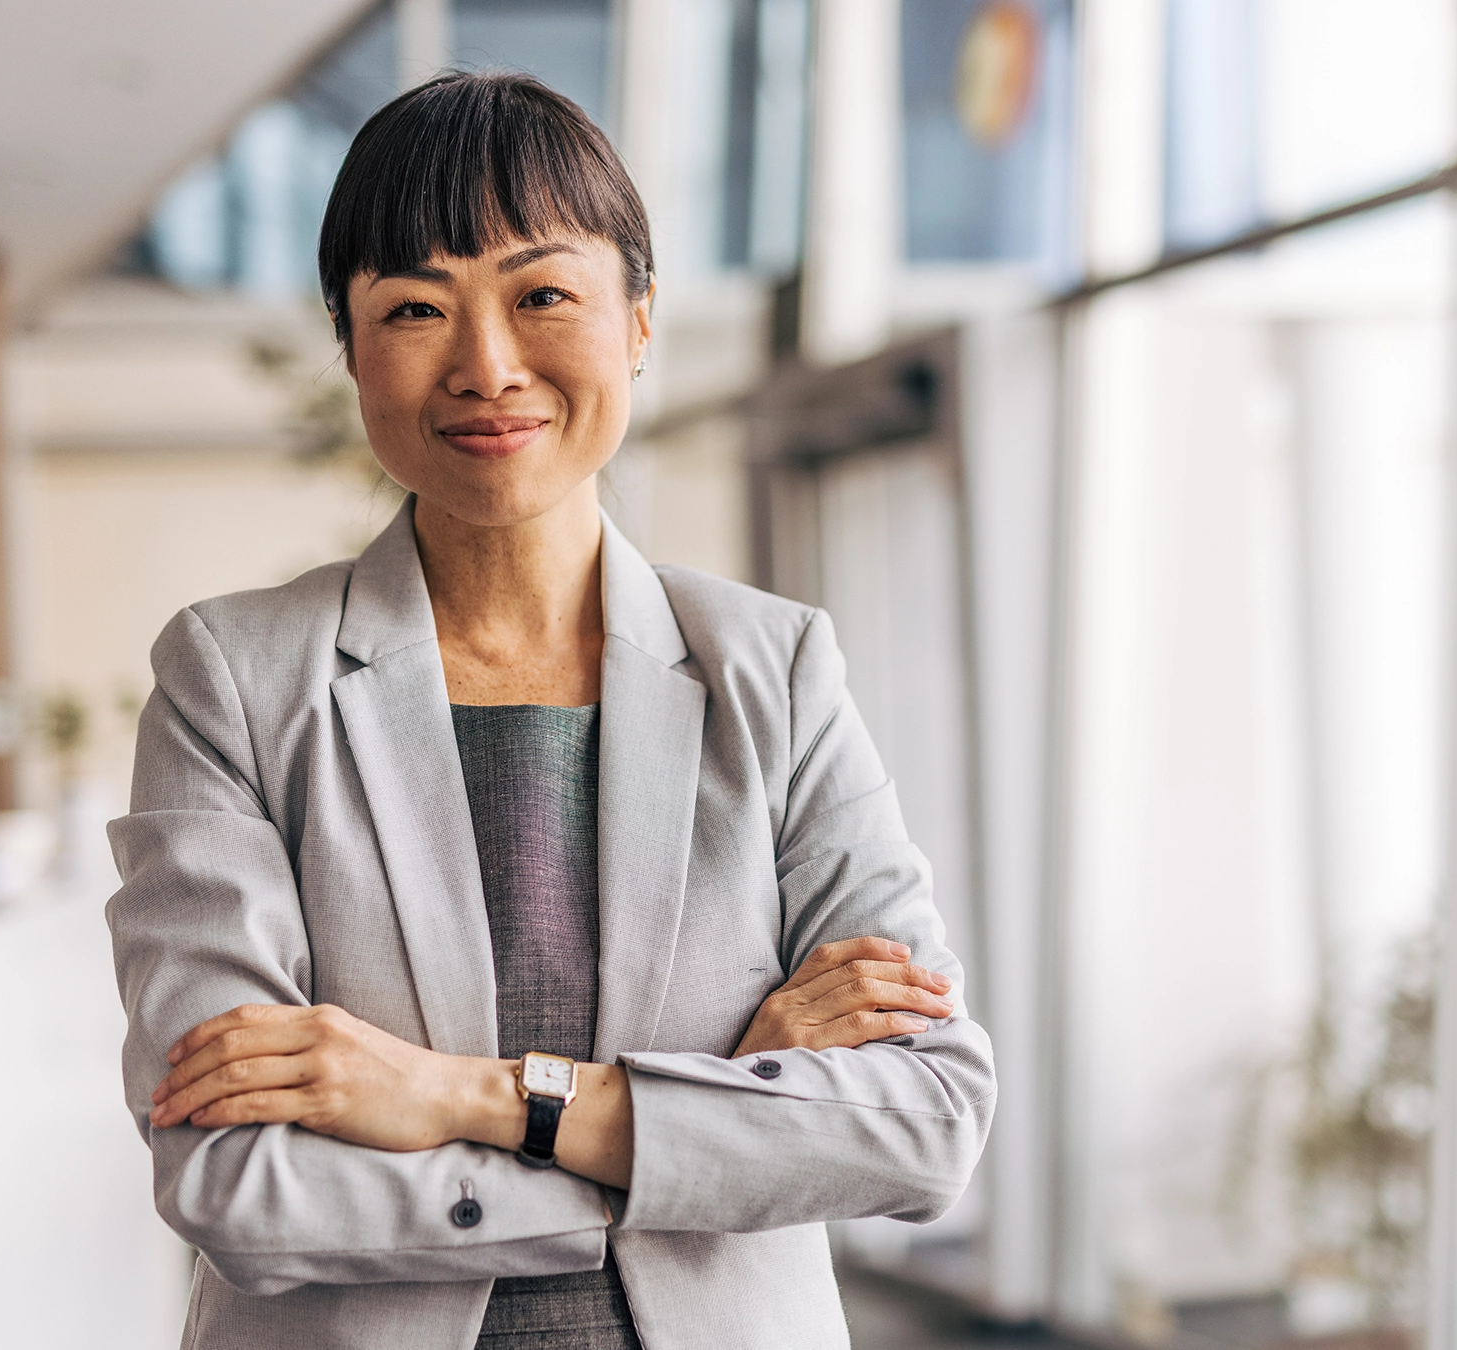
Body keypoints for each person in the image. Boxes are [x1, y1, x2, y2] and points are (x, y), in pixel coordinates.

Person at [106, 71, 994, 1350]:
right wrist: (709, 1122)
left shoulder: (774, 668)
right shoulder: (235, 680)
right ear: (351, 349)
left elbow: (924, 1121)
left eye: (542, 295)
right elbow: (237, 1183)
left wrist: (462, 1096)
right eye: (415, 307)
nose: (487, 365)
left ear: (637, 320)